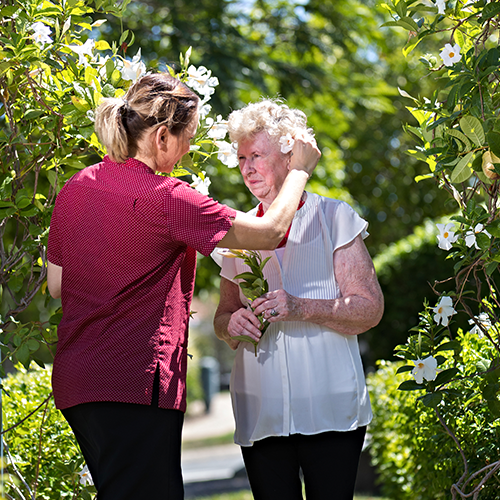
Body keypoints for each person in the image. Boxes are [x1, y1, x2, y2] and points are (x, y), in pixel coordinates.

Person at [46, 74, 320, 500]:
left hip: (78, 385)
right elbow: (269, 232)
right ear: (161, 136)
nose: (190, 148)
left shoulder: (76, 187)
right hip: (133, 382)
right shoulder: (167, 196)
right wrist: (299, 169)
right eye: (187, 137)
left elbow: (57, 284)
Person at [213, 99, 384, 500]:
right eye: (241, 158)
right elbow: (223, 316)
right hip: (262, 413)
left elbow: (369, 309)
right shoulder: (235, 234)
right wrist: (230, 325)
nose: (247, 167)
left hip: (331, 410)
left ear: (291, 157)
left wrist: (302, 307)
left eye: (257, 155)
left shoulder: (336, 217)